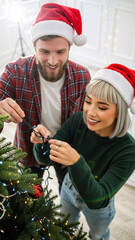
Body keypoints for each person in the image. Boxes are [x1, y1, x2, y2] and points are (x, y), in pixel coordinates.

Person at [30, 63, 135, 240]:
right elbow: (45, 159)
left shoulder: (128, 150)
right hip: (68, 189)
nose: (90, 112)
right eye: (88, 101)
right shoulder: (78, 120)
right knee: (64, 228)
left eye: (102, 107)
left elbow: (98, 200)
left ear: (120, 112)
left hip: (99, 206)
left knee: (98, 235)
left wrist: (76, 162)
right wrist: (41, 144)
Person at [0, 3, 91, 188]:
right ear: (34, 46)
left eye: (60, 52)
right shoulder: (15, 71)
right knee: (31, 201)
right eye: (44, 51)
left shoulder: (82, 76)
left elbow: (86, 123)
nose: (52, 61)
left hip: (66, 150)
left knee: (68, 201)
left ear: (70, 48)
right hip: (28, 151)